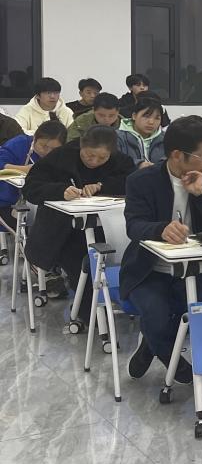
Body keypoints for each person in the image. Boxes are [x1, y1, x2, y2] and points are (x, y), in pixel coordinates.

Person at [121, 118, 202, 384]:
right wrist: (160, 229)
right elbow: (134, 225)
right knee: (156, 314)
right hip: (148, 270)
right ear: (176, 155)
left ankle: (150, 344)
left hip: (195, 268)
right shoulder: (142, 180)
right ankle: (170, 359)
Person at [22, 125, 134, 329]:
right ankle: (90, 314)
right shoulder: (61, 157)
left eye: (102, 158)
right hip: (63, 230)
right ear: (80, 146)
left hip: (106, 227)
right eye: (89, 155)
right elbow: (30, 187)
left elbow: (131, 182)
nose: (94, 161)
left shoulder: (121, 161)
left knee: (121, 257)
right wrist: (60, 191)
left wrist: (102, 186)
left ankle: (118, 304)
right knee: (82, 261)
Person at [0, 120, 66, 231]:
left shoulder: (63, 155)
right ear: (35, 138)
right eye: (43, 146)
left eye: (54, 149)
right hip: (8, 203)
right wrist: (25, 169)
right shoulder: (19, 144)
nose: (48, 152)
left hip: (44, 204)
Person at [116, 97, 166, 168]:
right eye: (146, 116)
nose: (151, 122)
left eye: (157, 118)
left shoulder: (165, 138)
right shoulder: (118, 137)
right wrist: (138, 164)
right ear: (134, 116)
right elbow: (116, 160)